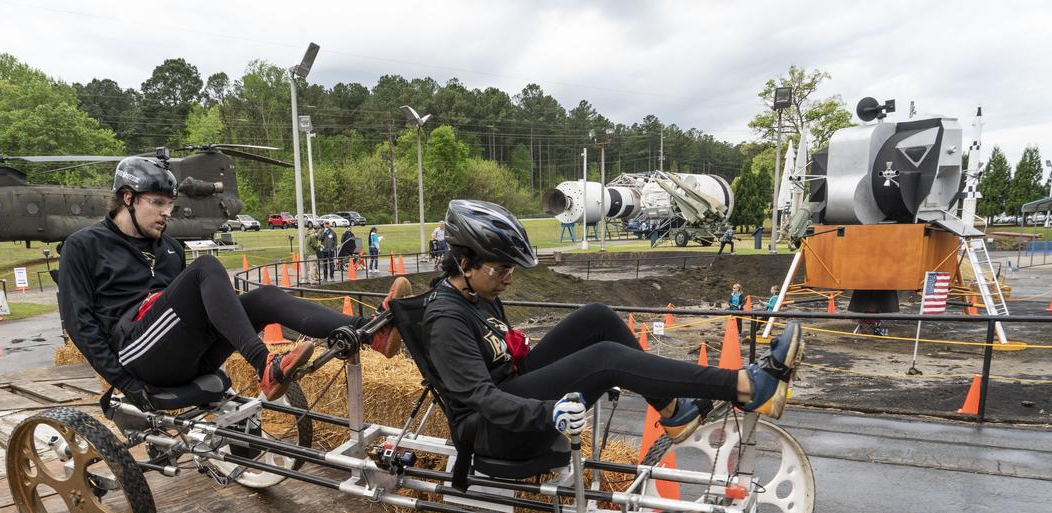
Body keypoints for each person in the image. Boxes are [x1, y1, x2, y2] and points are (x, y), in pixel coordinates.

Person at [423, 199, 802, 461]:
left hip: (514, 394)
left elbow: (509, 359)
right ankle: (745, 386)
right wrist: (549, 410)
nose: (508, 279)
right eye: (501, 270)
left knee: (597, 316)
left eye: (512, 270)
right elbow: (483, 399)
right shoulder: (446, 321)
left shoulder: (480, 292)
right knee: (605, 360)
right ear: (464, 261)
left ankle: (673, 409)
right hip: (495, 431)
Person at [58, 156, 411, 410]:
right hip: (136, 354)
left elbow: (195, 311)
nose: (167, 212)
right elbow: (79, 323)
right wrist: (126, 383)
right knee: (208, 266)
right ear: (128, 198)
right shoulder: (84, 245)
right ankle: (265, 366)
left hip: (184, 353)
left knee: (264, 297)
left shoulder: (168, 248)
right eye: (158, 203)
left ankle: (370, 332)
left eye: (171, 205)